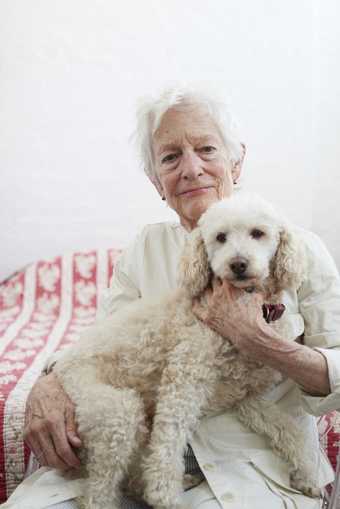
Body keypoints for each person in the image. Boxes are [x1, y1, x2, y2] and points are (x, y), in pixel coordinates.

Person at [6, 86, 340, 509]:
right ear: (156, 182)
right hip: (135, 456)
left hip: (249, 469)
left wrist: (261, 343)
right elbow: (103, 343)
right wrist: (51, 380)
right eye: (170, 157)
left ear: (236, 162)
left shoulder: (301, 248)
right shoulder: (144, 249)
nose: (191, 168)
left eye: (206, 149)